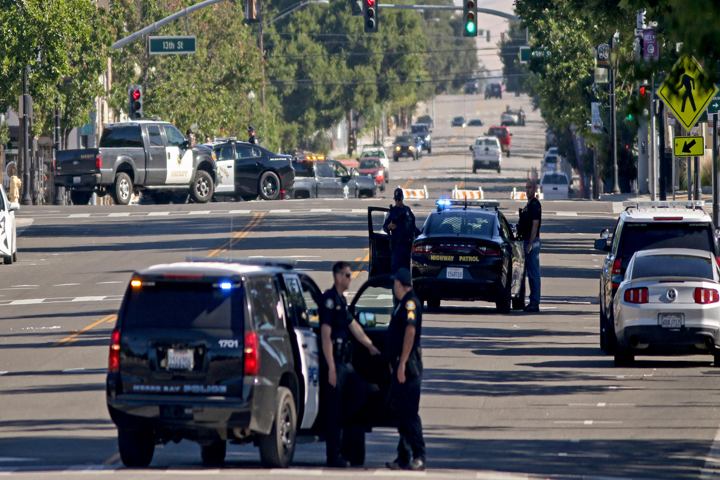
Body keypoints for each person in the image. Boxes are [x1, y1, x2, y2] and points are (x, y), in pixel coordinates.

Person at [320, 261, 381, 468]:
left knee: (359, 396)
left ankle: (337, 424)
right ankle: (334, 456)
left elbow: (352, 324)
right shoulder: (329, 300)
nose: (350, 278)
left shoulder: (340, 300)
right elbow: (326, 334)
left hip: (346, 361)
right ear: (337, 276)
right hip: (335, 360)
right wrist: (331, 368)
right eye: (347, 275)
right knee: (333, 409)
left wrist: (370, 345)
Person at [386, 268, 425, 471]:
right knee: (400, 413)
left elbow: (410, 332)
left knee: (410, 414)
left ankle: (419, 455)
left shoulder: (410, 303)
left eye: (394, 283)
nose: (393, 287)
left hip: (408, 368)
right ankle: (403, 455)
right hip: (400, 367)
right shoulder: (403, 303)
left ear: (400, 284)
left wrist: (402, 363)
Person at [383, 188, 420, 274]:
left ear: (402, 198)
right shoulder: (392, 212)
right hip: (397, 246)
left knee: (406, 271)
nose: (397, 202)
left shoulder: (407, 210)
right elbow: (385, 227)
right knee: (395, 270)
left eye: (399, 199)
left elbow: (413, 226)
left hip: (407, 245)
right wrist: (389, 227)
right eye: (396, 200)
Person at [518, 179, 542, 312]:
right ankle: (531, 301)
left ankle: (534, 303)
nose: (527, 190)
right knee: (529, 274)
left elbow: (535, 224)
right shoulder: (529, 204)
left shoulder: (535, 205)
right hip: (527, 241)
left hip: (532, 242)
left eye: (530, 188)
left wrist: (531, 243)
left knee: (533, 274)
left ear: (535, 189)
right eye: (526, 188)